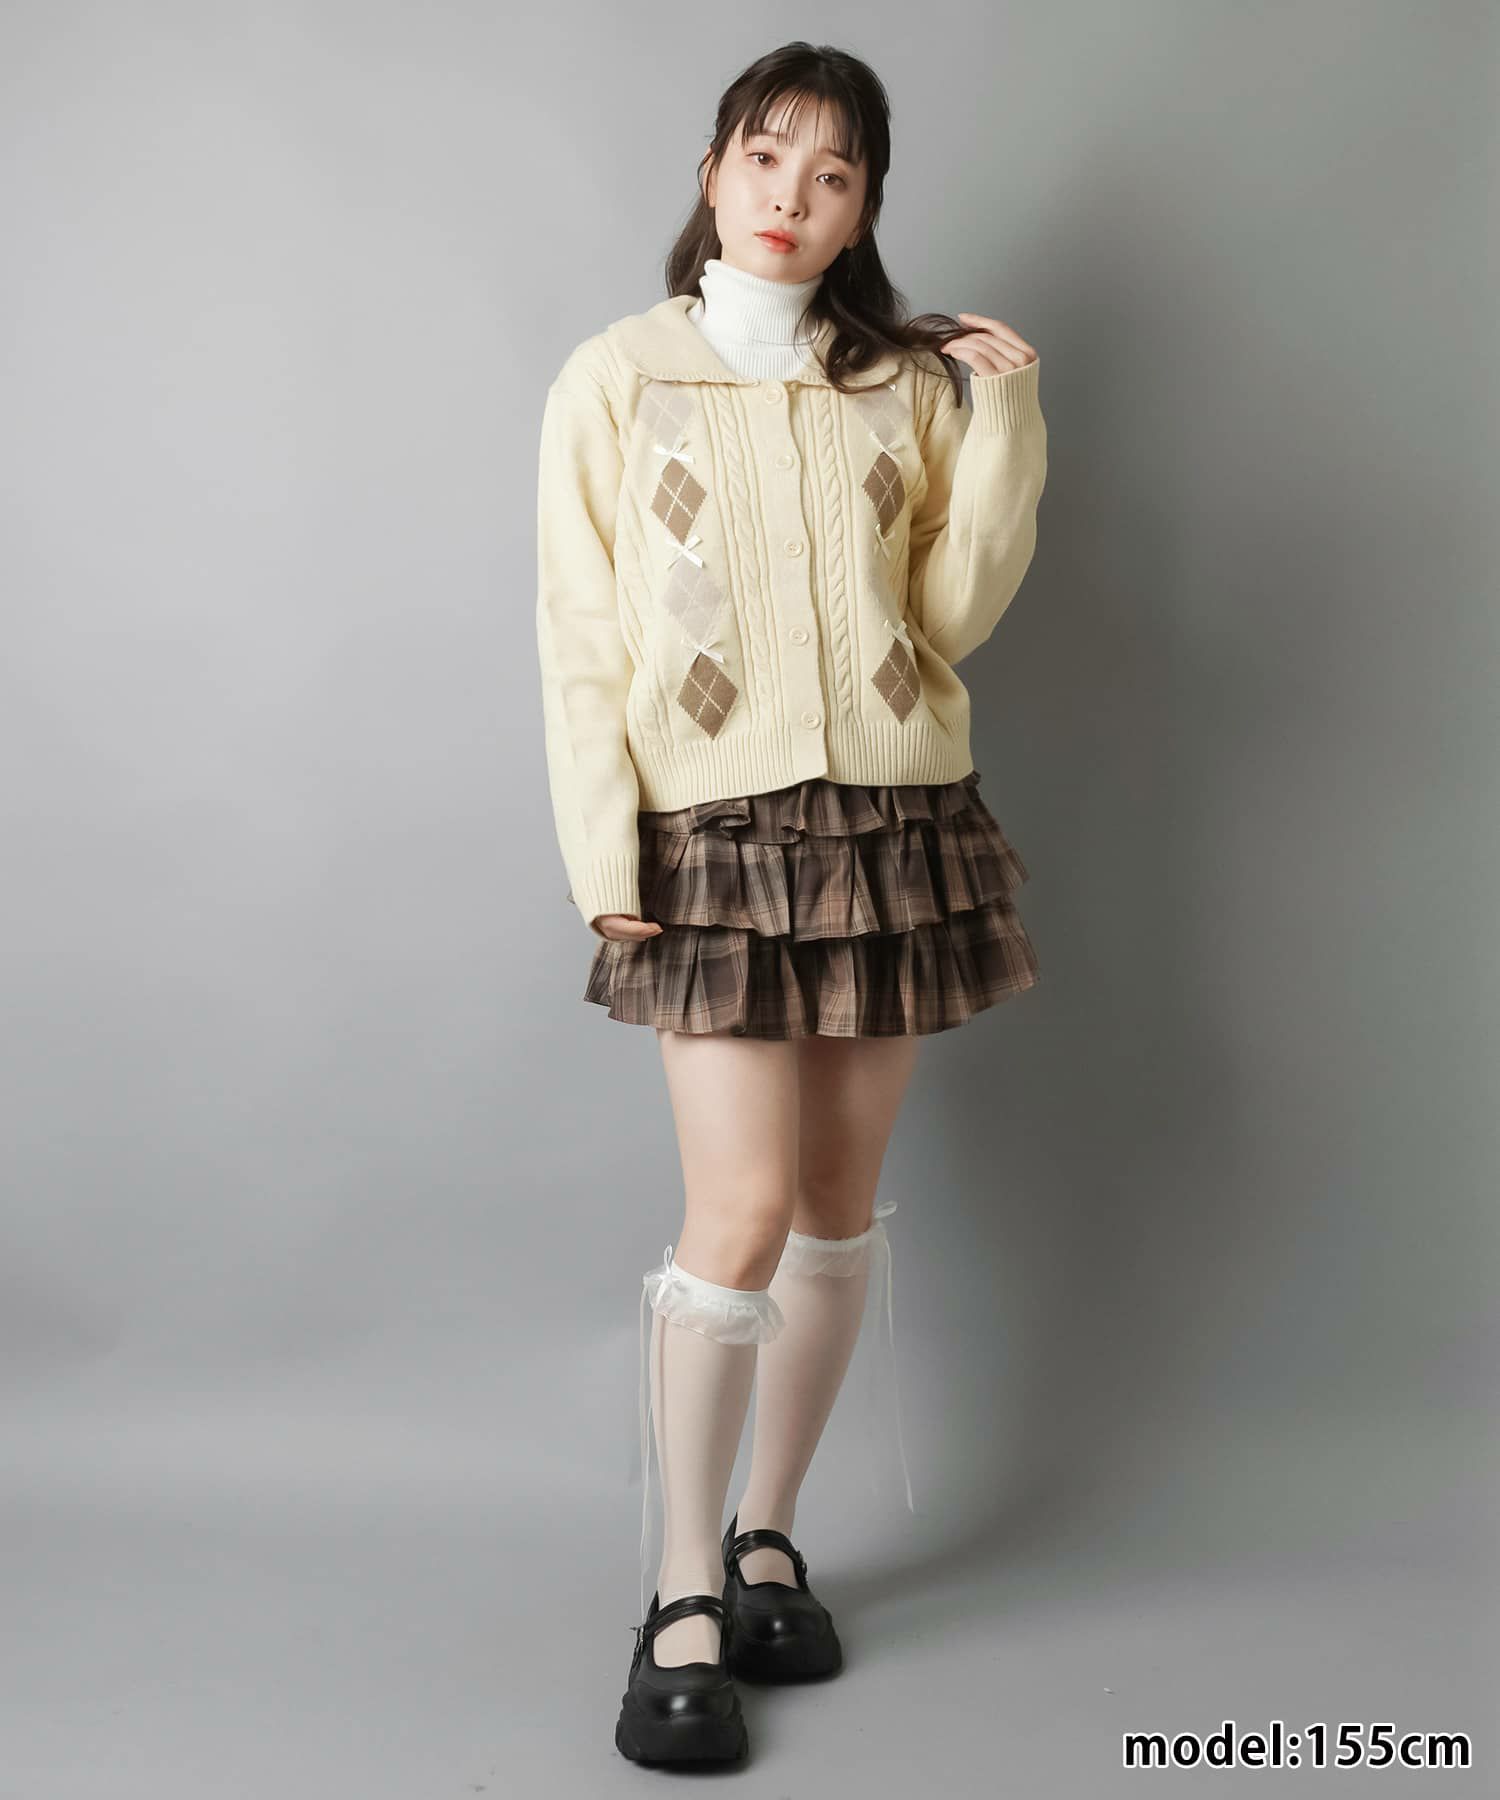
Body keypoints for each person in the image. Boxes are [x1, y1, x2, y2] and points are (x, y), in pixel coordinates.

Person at [533, 39, 1048, 1768]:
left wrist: (1004, 420)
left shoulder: (897, 385)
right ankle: (681, 1585)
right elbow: (580, 631)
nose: (792, 196)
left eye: (835, 173)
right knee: (739, 1210)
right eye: (768, 155)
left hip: (894, 820)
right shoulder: (620, 377)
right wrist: (607, 855)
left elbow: (952, 615)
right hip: (713, 834)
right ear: (713, 168)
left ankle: (770, 1537)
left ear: (864, 208)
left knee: (835, 1212)